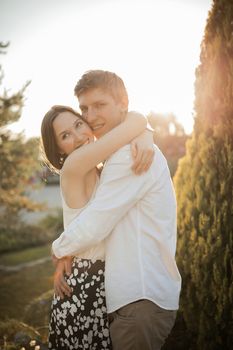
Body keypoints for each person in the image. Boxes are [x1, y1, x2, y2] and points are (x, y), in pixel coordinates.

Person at [52, 70, 182, 350]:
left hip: (140, 299)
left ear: (123, 102)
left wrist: (60, 248)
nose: (91, 116)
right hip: (132, 301)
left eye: (99, 105)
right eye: (85, 108)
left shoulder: (128, 156)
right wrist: (142, 128)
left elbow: (98, 220)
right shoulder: (116, 154)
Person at [41, 104, 152, 349]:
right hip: (83, 285)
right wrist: (144, 132)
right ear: (58, 150)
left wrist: (145, 135)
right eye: (65, 136)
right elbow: (135, 121)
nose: (79, 136)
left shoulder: (102, 170)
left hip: (106, 280)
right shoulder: (74, 167)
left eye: (78, 124)